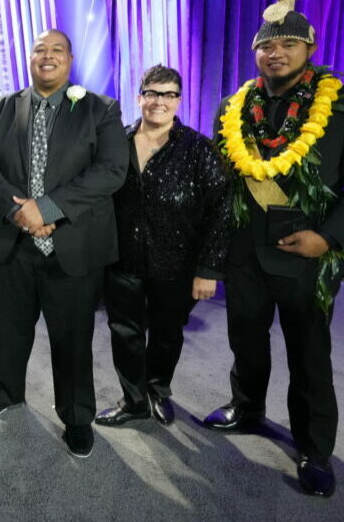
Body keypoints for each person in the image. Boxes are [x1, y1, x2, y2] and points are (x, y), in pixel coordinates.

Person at [204, 0, 344, 497]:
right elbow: (225, 181)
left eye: (288, 43)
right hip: (245, 256)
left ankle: (313, 447)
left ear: (310, 47)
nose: (275, 52)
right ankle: (246, 407)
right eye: (266, 45)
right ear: (255, 53)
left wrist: (326, 238)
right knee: (246, 340)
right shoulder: (233, 106)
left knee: (309, 356)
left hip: (305, 255)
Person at [0, 28, 128, 458]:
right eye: (40, 50)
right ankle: (7, 391)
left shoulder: (101, 108)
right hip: (13, 243)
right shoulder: (3, 107)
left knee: (73, 339)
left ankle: (77, 417)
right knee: (11, 329)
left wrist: (49, 208)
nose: (48, 56)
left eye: (57, 50)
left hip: (72, 245)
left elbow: (112, 170)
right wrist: (21, 211)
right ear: (30, 58)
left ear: (70, 60)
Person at [95, 65, 231, 429]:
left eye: (168, 94)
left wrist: (208, 269)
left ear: (179, 101)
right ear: (139, 98)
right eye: (152, 93)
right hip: (122, 258)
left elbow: (222, 210)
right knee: (124, 332)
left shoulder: (199, 149)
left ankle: (158, 390)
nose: (159, 101)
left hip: (177, 262)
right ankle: (134, 400)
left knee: (167, 333)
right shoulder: (116, 144)